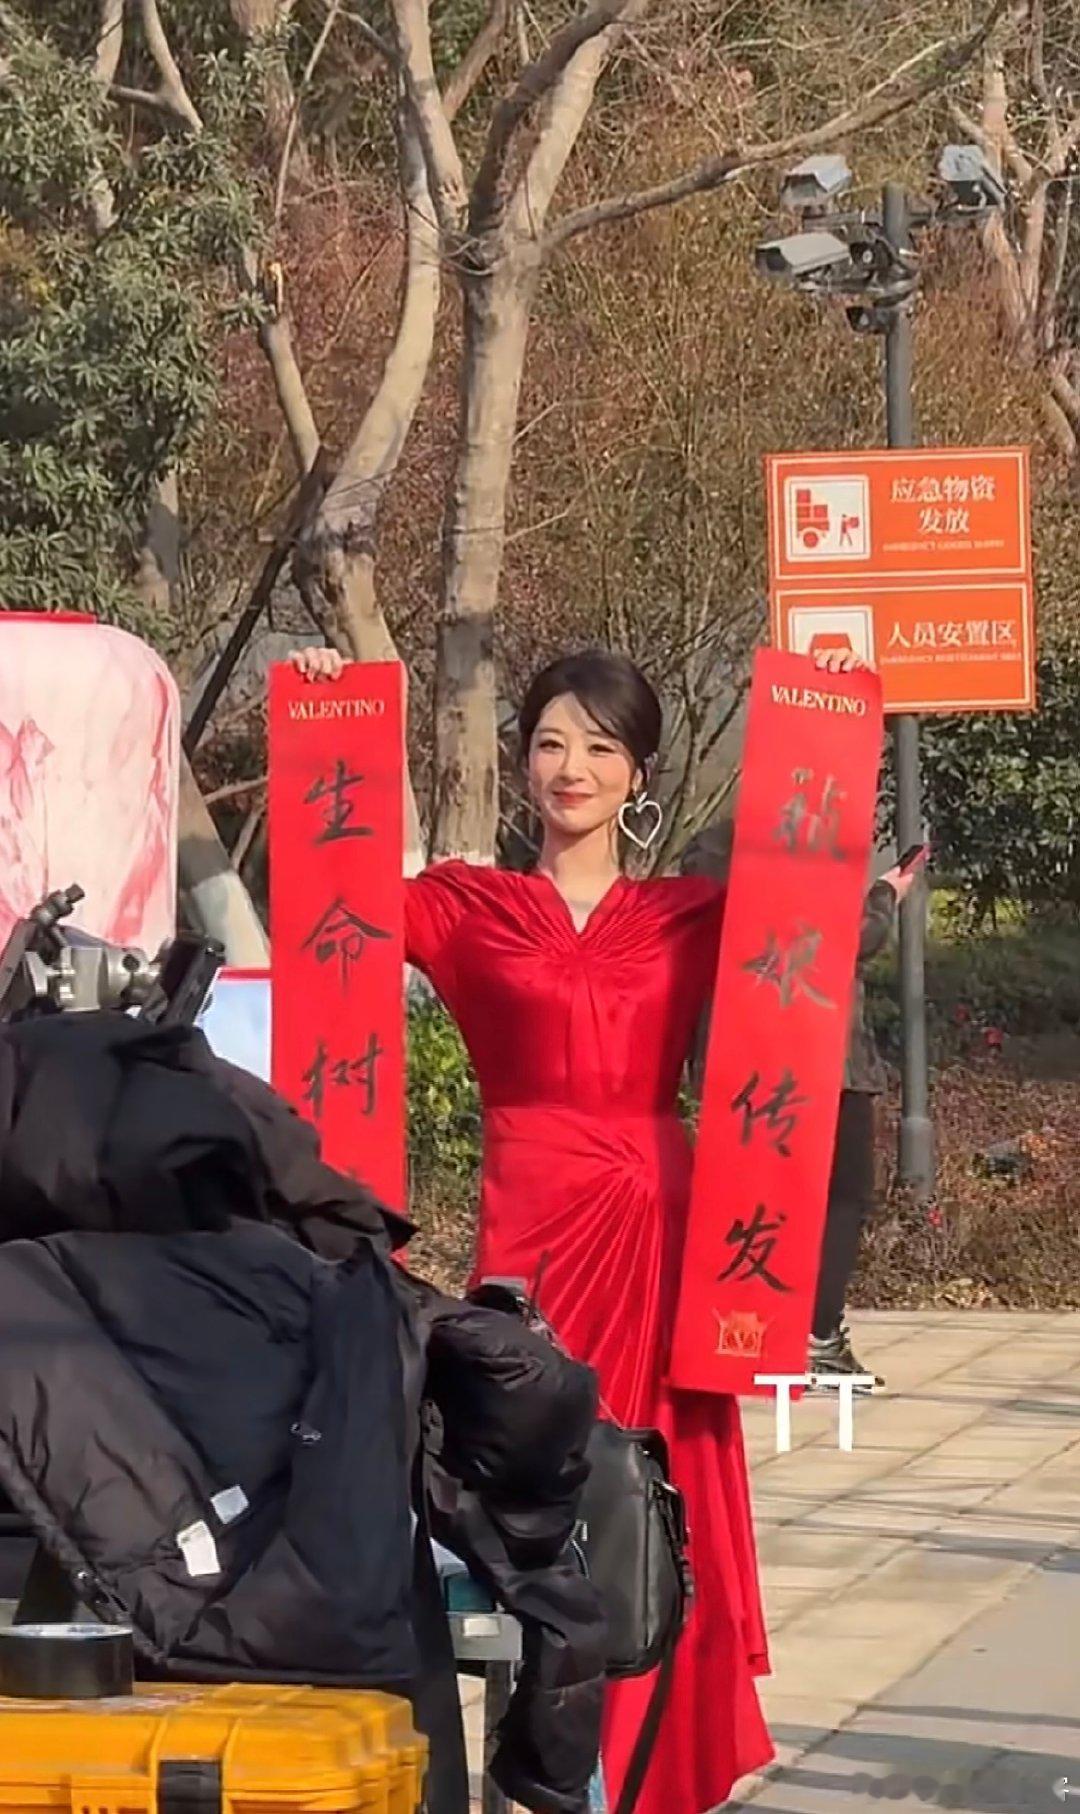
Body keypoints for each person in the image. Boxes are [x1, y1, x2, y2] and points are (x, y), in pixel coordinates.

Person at [289, 641, 857, 1814]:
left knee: (650, 1501)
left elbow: (813, 909)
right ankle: (544, 1772)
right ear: (522, 761)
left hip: (661, 1229)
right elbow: (329, 894)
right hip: (531, 1232)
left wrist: (826, 711)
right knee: (529, 1488)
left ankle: (640, 1772)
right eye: (551, 741)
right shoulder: (467, 906)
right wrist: (326, 714)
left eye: (600, 745)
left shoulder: (691, 913)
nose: (572, 766)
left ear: (638, 770)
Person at [679, 826, 915, 1393]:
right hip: (825, 1056)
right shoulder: (813, 841)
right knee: (841, 1196)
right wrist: (886, 894)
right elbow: (849, 938)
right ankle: (816, 1338)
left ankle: (743, 1338)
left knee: (755, 1200)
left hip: (746, 1062)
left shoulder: (710, 850)